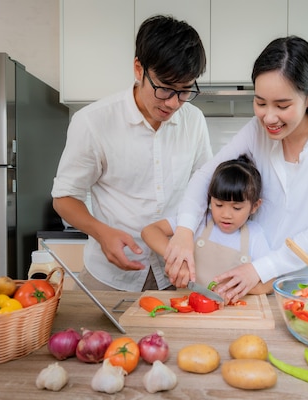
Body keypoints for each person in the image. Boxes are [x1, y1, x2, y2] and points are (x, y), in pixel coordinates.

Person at [163, 36, 308, 303]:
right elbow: (205, 176)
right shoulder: (256, 131)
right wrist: (185, 232)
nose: (269, 117)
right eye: (260, 103)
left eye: (282, 106)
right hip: (264, 282)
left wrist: (258, 269)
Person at [51, 15, 212, 292]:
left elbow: (205, 189)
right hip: (110, 275)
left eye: (185, 91)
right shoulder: (93, 122)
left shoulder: (194, 121)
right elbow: (64, 198)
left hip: (175, 272)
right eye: (164, 88)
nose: (173, 103)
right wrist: (102, 233)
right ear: (139, 69)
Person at [142, 154, 274, 295]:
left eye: (236, 208)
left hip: (232, 314)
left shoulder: (254, 235)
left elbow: (271, 281)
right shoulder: (199, 221)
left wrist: (236, 289)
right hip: (187, 309)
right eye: (218, 204)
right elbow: (150, 231)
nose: (226, 214)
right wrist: (178, 259)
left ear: (254, 206)